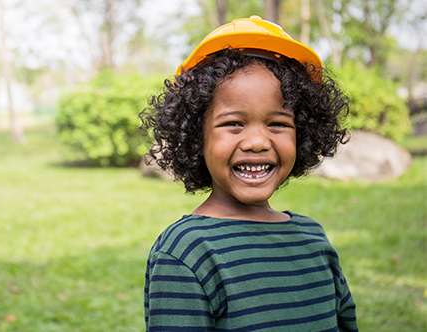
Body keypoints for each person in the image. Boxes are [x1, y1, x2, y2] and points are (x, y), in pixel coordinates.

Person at [139, 16, 358, 332]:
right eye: (233, 124)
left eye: (278, 124)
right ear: (197, 137)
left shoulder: (314, 239)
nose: (257, 142)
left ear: (303, 133)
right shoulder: (185, 252)